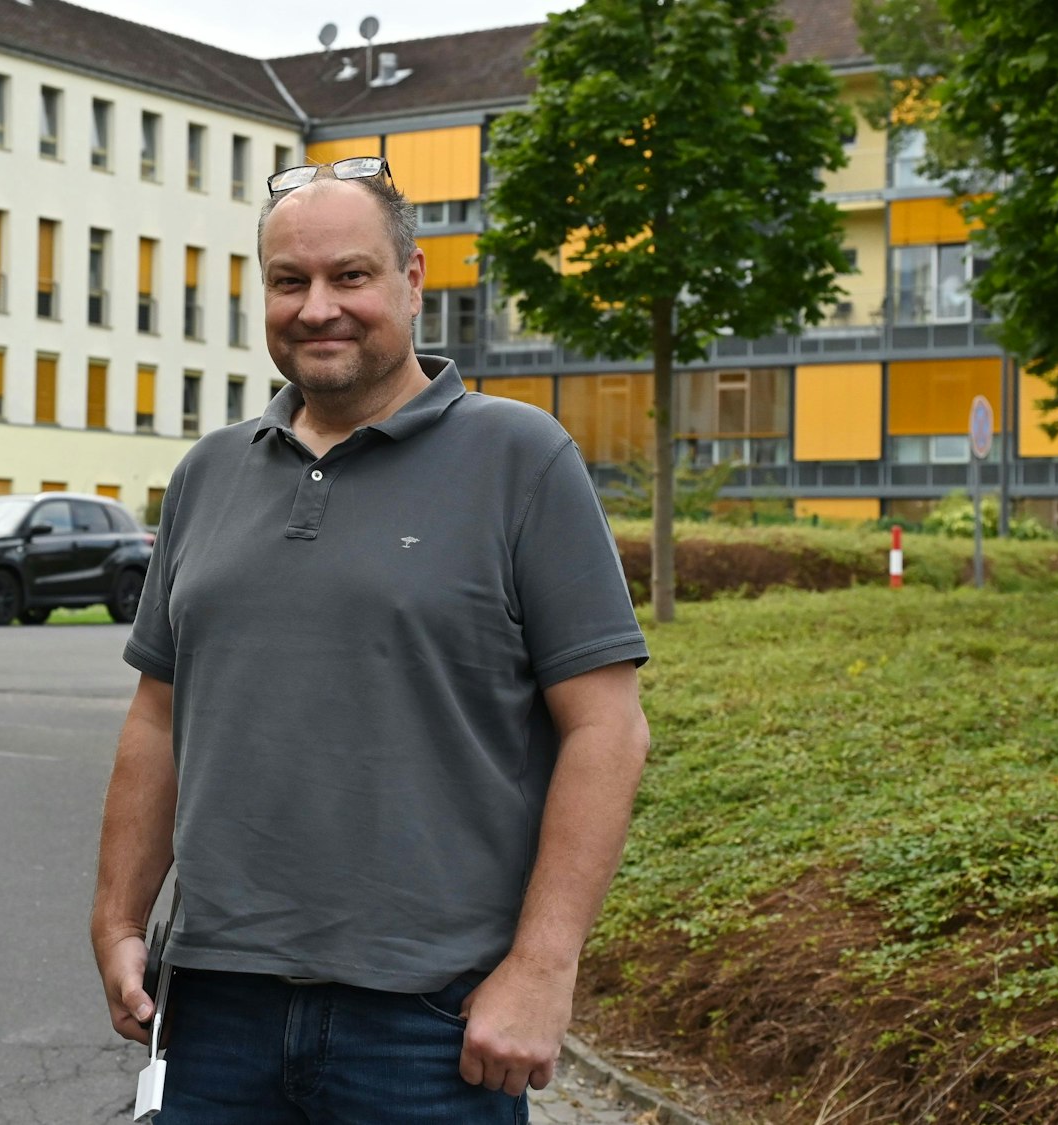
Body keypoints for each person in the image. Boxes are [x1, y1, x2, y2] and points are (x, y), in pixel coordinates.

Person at [89, 157, 652, 1122]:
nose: (318, 308)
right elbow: (160, 716)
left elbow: (607, 728)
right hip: (214, 1006)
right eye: (288, 281)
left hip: (433, 1022)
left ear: (412, 279)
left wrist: (542, 968)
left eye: (350, 276)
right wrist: (117, 917)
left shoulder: (523, 459)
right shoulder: (208, 474)